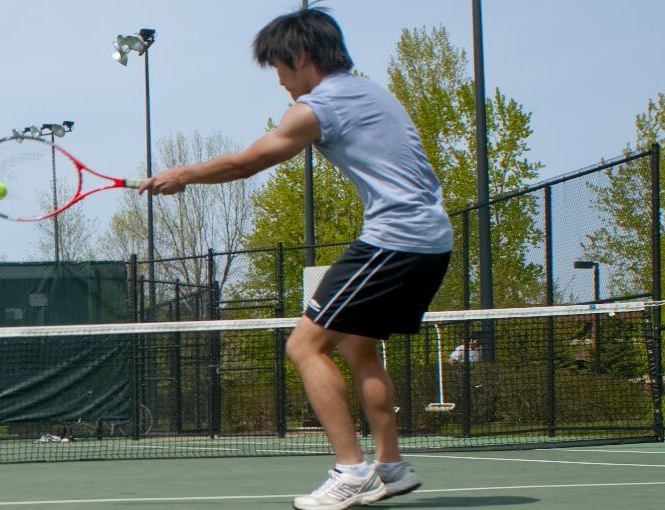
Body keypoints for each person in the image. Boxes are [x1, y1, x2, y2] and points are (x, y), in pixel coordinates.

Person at [143, 7, 450, 509]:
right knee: (358, 348)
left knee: (305, 347)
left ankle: (352, 472)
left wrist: (183, 174)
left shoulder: (321, 105)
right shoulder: (370, 90)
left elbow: (250, 161)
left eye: (280, 69)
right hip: (431, 242)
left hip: (396, 239)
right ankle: (390, 466)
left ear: (301, 56)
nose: (281, 82)